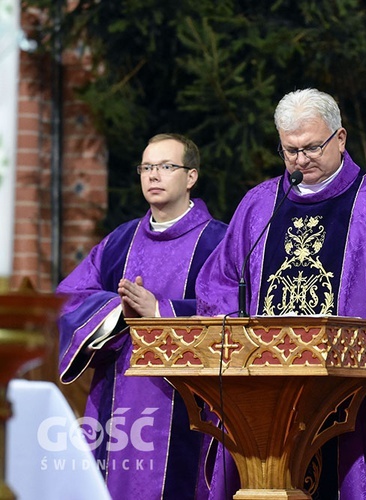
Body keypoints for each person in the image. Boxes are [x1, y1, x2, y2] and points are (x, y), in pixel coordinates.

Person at [195, 88, 366, 499]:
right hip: (262, 399)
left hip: (353, 400)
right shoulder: (259, 205)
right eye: (290, 151)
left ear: (340, 138)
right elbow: (220, 283)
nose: (301, 160)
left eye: (312, 147)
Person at [57, 133, 228, 499]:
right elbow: (68, 298)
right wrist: (118, 312)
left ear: (191, 176)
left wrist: (160, 312)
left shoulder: (218, 243)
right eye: (147, 167)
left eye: (166, 166)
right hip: (118, 399)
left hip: (187, 405)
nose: (153, 175)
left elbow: (233, 311)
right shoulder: (120, 241)